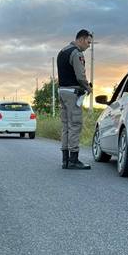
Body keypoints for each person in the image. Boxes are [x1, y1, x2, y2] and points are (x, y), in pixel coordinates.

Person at [56, 29, 93, 170]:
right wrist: (87, 87)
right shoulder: (76, 53)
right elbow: (80, 75)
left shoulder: (63, 51)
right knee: (75, 124)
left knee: (65, 126)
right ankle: (73, 159)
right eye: (88, 42)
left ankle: (65, 159)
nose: (89, 46)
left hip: (62, 91)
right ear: (80, 40)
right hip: (72, 93)